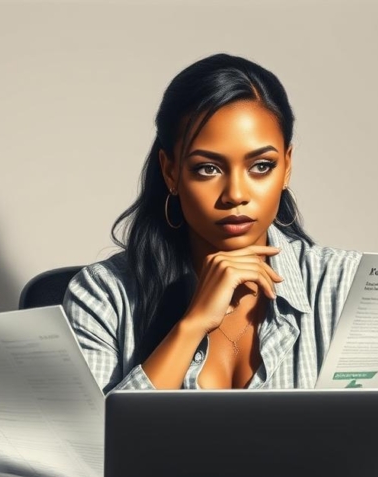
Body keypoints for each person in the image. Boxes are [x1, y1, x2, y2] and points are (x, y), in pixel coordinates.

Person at [63, 53, 361, 393]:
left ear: (287, 167)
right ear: (170, 170)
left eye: (261, 166)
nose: (235, 194)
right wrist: (192, 325)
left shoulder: (347, 286)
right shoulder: (104, 294)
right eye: (208, 168)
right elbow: (95, 444)